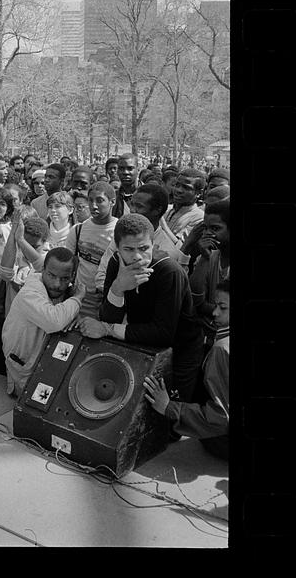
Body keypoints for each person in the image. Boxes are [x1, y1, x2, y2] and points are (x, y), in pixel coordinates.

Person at [80, 214, 204, 403]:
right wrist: (118, 288)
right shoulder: (115, 263)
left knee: (169, 412)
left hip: (180, 350)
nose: (137, 256)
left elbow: (163, 333)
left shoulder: (169, 272)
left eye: (144, 248)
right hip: (143, 342)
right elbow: (108, 316)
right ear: (117, 247)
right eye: (128, 249)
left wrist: (106, 329)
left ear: (153, 244)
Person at [143, 279, 230, 460]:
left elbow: (221, 418)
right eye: (216, 305)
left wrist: (169, 407)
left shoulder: (222, 348)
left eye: (223, 307)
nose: (214, 312)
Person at [2, 247, 85, 396]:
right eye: (51, 275)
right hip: (22, 371)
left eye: (64, 279)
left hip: (45, 366)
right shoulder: (30, 292)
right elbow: (54, 321)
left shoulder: (65, 292)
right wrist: (77, 299)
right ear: (43, 271)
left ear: (73, 277)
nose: (57, 284)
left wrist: (73, 316)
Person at [182, 198, 230, 351]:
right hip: (208, 335)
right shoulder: (211, 256)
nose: (208, 234)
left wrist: (205, 308)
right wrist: (204, 257)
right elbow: (195, 300)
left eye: (215, 229)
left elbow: (203, 306)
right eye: (206, 228)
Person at [65, 181, 117, 319]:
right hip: (79, 299)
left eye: (100, 201)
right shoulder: (78, 230)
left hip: (106, 302)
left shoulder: (120, 232)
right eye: (90, 200)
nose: (94, 206)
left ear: (112, 202)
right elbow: (69, 264)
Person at [163, 168, 207, 242]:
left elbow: (182, 247)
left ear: (199, 193)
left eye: (186, 187)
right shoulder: (167, 209)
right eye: (177, 185)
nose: (178, 190)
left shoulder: (199, 218)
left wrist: (162, 224)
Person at [113, 153, 138, 218]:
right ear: (117, 171)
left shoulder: (148, 195)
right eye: (121, 168)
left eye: (130, 168)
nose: (125, 172)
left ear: (137, 169)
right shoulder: (113, 197)